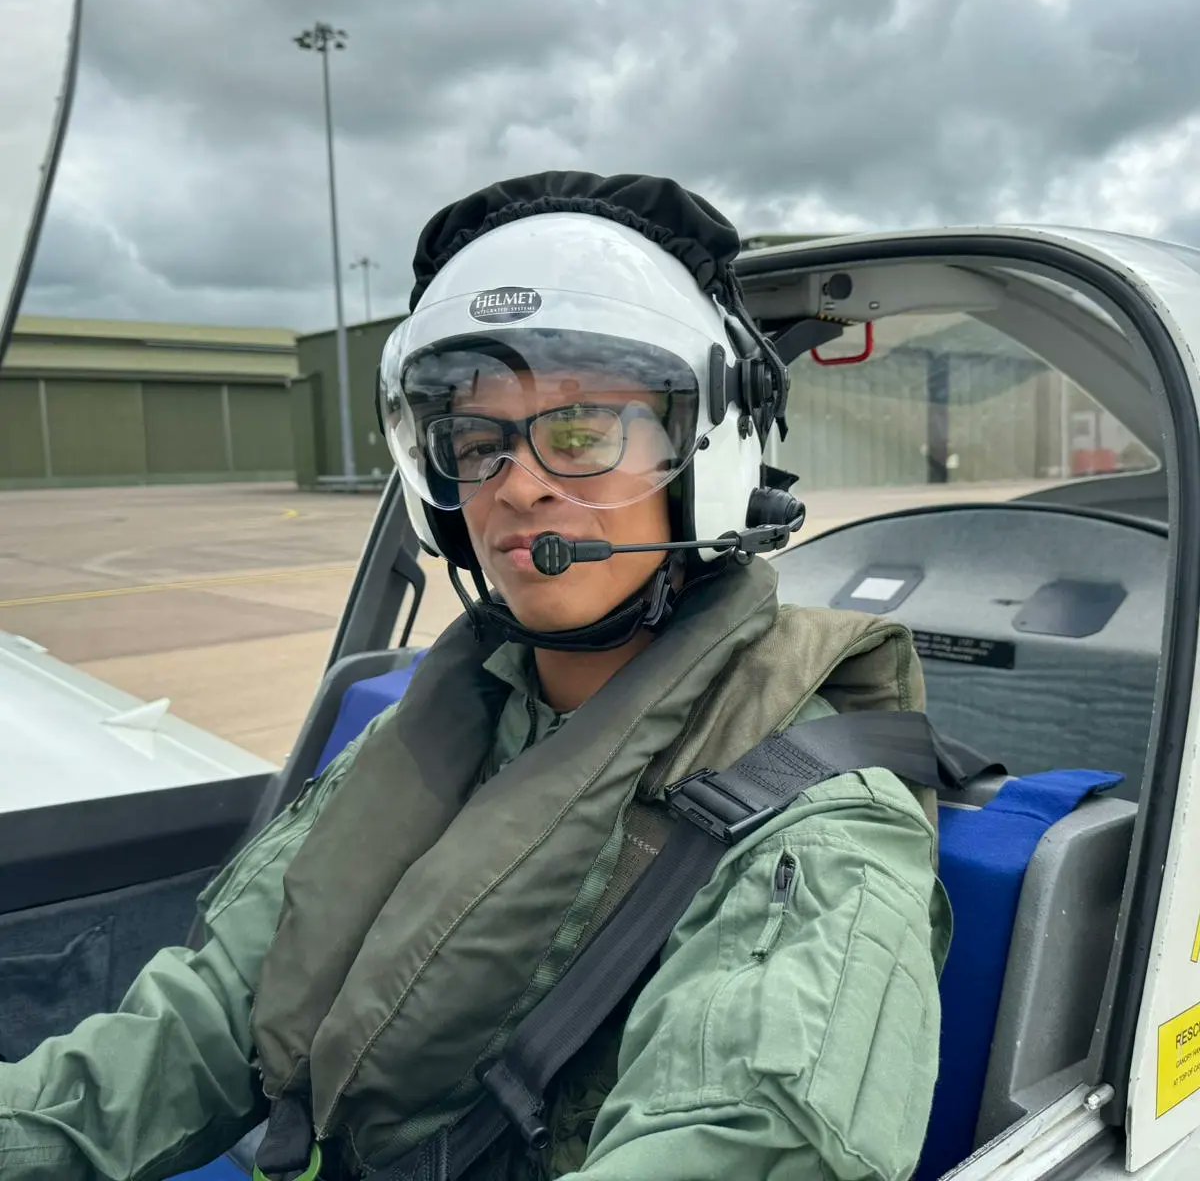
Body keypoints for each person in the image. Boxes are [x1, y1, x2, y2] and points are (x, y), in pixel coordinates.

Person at [0, 172, 949, 1181]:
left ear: (703, 448)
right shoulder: (435, 732)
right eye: (479, 439)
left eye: (583, 429)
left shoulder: (815, 830)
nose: (520, 483)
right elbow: (190, 1034)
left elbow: (736, 1144)